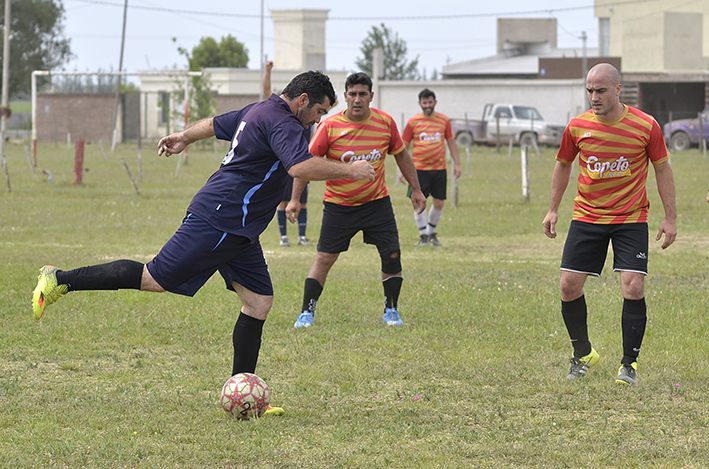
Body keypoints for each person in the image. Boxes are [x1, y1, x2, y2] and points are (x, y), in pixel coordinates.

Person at [31, 70, 375, 412]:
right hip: (220, 218)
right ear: (303, 100)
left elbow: (212, 124)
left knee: (258, 302)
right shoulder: (284, 122)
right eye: (319, 111)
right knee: (153, 279)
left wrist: (184, 136)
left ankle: (243, 396)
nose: (318, 119)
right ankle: (59, 279)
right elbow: (299, 167)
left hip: (240, 229)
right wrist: (351, 170)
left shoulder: (257, 110)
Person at [542, 63, 677, 386]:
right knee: (568, 286)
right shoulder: (576, 127)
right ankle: (583, 353)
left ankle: (628, 364)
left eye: (600, 90)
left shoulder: (646, 126)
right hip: (587, 217)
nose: (594, 97)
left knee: (633, 285)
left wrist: (670, 217)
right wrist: (552, 210)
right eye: (589, 91)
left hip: (630, 218)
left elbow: (662, 169)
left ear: (618, 89)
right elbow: (563, 165)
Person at [288, 72, 426, 328]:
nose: (357, 99)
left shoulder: (386, 123)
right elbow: (305, 164)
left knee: (392, 255)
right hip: (339, 205)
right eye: (352, 94)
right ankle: (307, 312)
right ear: (345, 96)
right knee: (324, 258)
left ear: (371, 96)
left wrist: (416, 190)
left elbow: (402, 156)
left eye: (363, 94)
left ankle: (391, 310)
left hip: (377, 203)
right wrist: (295, 199)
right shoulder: (329, 126)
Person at [262, 60, 313, 247]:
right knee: (283, 201)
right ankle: (284, 237)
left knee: (303, 201)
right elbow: (267, 92)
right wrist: (268, 71)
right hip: (286, 163)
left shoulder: (312, 112)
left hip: (303, 161)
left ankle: (302, 236)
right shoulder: (287, 111)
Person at [402, 88, 461, 246]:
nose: (427, 105)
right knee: (419, 202)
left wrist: (457, 164)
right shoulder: (413, 122)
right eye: (424, 102)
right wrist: (402, 171)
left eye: (430, 102)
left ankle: (430, 233)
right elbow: (403, 147)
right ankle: (423, 236)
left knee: (439, 202)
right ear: (420, 103)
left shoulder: (444, 120)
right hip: (419, 170)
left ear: (435, 102)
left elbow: (451, 142)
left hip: (439, 168)